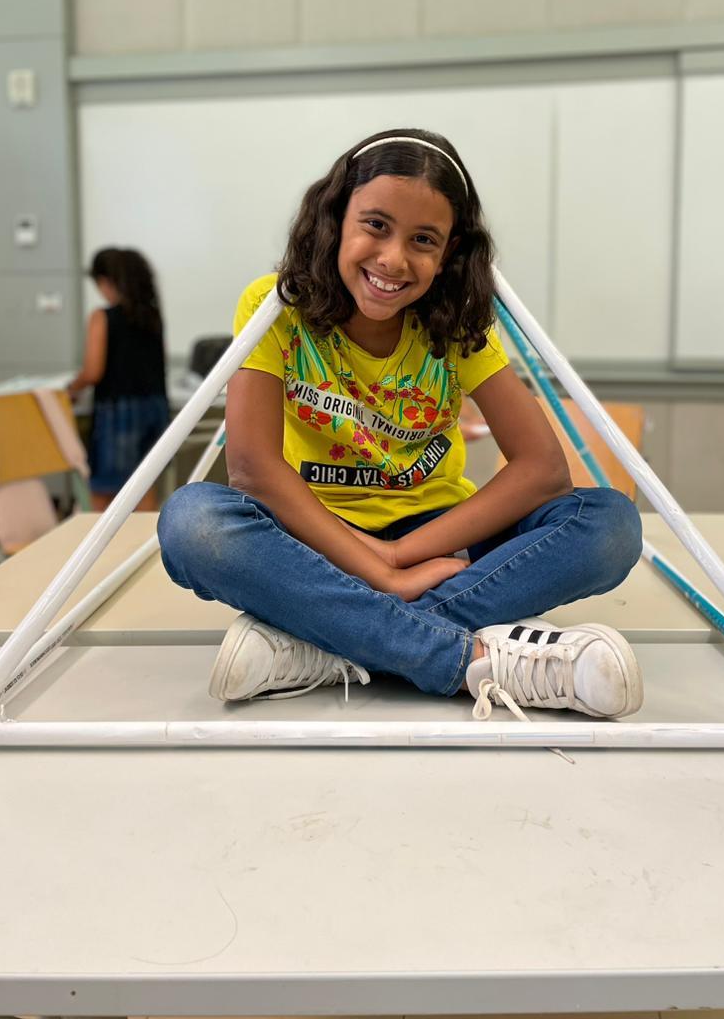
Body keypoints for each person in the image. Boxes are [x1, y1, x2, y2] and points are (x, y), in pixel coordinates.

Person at [158, 130, 644, 722]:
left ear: (450, 251)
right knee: (194, 522)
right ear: (336, 218)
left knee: (608, 524)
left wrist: (400, 557)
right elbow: (254, 472)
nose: (393, 259)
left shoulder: (457, 326)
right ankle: (468, 656)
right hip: (312, 539)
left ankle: (320, 641)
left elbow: (542, 471)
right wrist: (377, 571)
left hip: (437, 535)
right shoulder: (275, 306)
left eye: (423, 240)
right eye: (376, 225)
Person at [68, 247, 170, 512]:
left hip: (118, 414)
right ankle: (148, 551)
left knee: (102, 493)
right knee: (144, 489)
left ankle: (101, 554)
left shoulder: (102, 317)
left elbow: (92, 371)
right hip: (155, 407)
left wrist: (72, 388)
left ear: (106, 281)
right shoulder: (152, 316)